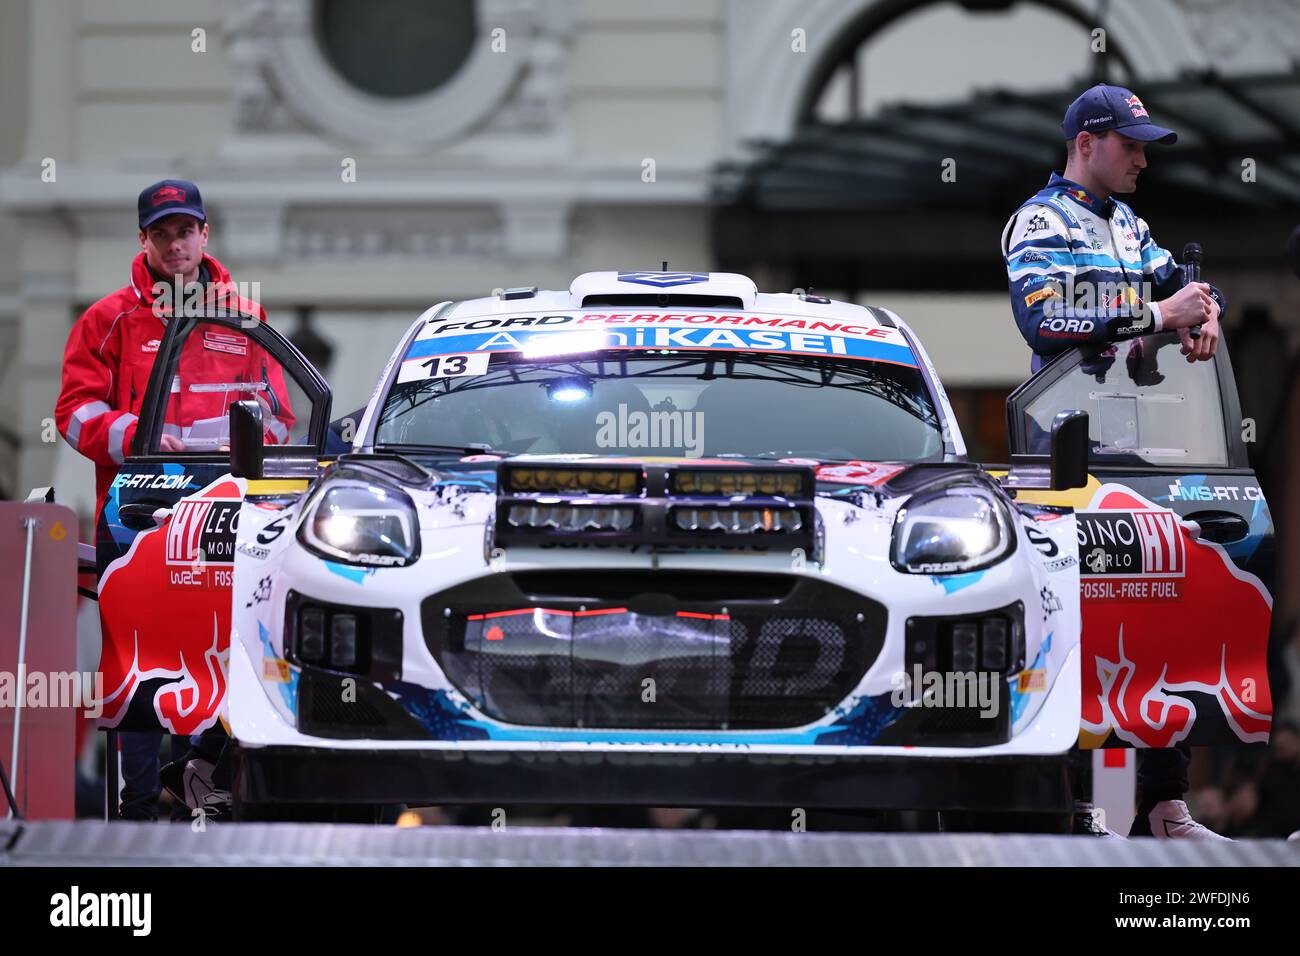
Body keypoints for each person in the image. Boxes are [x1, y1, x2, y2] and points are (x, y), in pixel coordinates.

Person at [1001, 86, 1228, 841]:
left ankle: (1163, 806)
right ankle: (1075, 808)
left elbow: (1183, 285)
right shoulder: (1041, 219)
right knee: (1076, 621)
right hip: (1062, 445)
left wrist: (1208, 310)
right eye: (1130, 143)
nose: (1141, 157)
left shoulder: (1130, 224)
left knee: (1158, 612)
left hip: (1139, 446)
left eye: (1145, 144)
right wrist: (1164, 315)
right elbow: (1045, 311)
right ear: (1086, 142)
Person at [55, 179, 293, 820]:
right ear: (145, 240)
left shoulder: (244, 318)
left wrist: (247, 436)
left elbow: (280, 416)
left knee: (220, 652)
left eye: (185, 230)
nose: (175, 244)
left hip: (222, 518)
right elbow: (74, 414)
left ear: (204, 234)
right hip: (134, 519)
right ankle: (136, 806)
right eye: (161, 233)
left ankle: (204, 792)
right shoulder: (107, 321)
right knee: (131, 660)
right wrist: (142, 438)